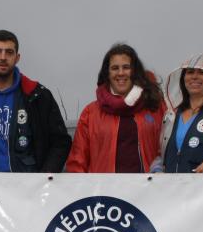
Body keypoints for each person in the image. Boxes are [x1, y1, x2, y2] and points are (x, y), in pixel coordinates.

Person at [0, 29, 71, 172]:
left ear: (17, 57)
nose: (3, 57)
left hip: (24, 186)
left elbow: (60, 142)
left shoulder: (38, 96)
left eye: (9, 52)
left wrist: (44, 177)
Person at [65, 44, 164, 173]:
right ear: (107, 73)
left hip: (148, 190)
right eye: (115, 68)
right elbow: (77, 162)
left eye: (126, 67)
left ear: (135, 71)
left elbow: (168, 151)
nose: (121, 73)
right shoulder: (90, 113)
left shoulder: (155, 107)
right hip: (104, 191)